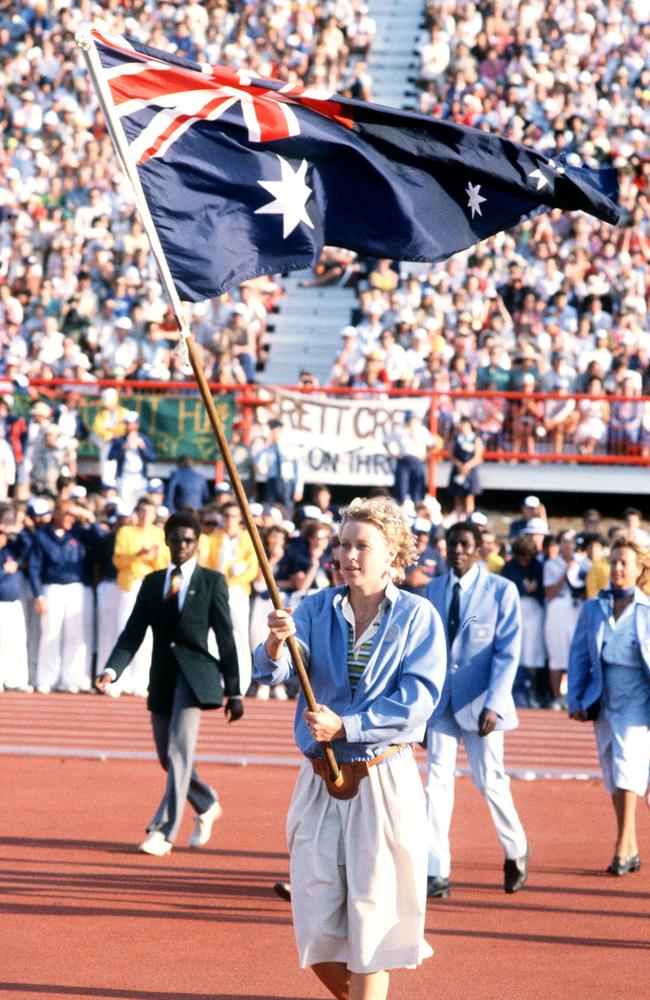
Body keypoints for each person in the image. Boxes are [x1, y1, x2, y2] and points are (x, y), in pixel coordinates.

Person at [253, 497, 446, 1000]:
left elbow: (418, 702)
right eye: (344, 544)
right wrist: (275, 644)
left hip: (383, 776)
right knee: (314, 917)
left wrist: (348, 725)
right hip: (321, 778)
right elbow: (273, 672)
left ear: (393, 556)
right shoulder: (316, 608)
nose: (349, 555)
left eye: (363, 546)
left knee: (374, 913)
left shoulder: (418, 617)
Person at [95, 511, 243, 856]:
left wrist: (234, 690)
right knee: (167, 755)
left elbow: (226, 638)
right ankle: (206, 802)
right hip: (161, 676)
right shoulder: (152, 582)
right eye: (176, 539)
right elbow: (132, 633)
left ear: (197, 544)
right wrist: (111, 671)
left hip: (196, 678)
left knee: (179, 750)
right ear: (167, 541)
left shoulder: (211, 582)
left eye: (188, 540)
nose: (181, 545)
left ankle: (164, 831)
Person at [423, 521, 529, 898]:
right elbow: (427, 651)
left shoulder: (502, 590)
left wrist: (495, 704)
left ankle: (515, 851)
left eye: (465, 544)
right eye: (452, 544)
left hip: (482, 704)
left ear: (479, 548)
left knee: (490, 781)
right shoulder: (433, 589)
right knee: (436, 783)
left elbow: (507, 651)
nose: (457, 551)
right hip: (441, 704)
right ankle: (437, 870)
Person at [568, 539, 650, 876]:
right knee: (612, 771)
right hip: (603, 696)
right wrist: (575, 698)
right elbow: (578, 655)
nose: (617, 568)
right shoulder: (593, 608)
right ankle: (629, 845)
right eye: (613, 562)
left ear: (639, 568)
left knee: (628, 764)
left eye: (624, 563)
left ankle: (621, 844)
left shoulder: (647, 612)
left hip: (638, 697)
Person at [206, 501, 259, 697]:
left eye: (234, 516)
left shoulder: (248, 539)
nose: (230, 520)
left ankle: (240, 682)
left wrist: (235, 578)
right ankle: (217, 680)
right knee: (214, 635)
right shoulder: (213, 538)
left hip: (237, 591)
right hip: (216, 591)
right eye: (226, 515)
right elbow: (207, 563)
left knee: (239, 636)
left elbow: (253, 568)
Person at [543, 529, 584, 709]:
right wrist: (566, 572)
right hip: (557, 608)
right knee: (556, 653)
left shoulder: (583, 564)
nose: (568, 546)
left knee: (575, 653)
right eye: (565, 541)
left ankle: (574, 695)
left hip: (577, 609)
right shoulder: (551, 565)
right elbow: (549, 593)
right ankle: (557, 697)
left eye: (572, 542)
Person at [446, 416, 484, 520]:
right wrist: (459, 465)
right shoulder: (456, 439)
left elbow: (478, 457)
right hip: (457, 469)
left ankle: (469, 519)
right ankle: (458, 520)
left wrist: (467, 466)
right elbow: (451, 454)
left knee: (469, 497)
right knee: (457, 498)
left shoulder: (475, 439)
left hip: (470, 471)